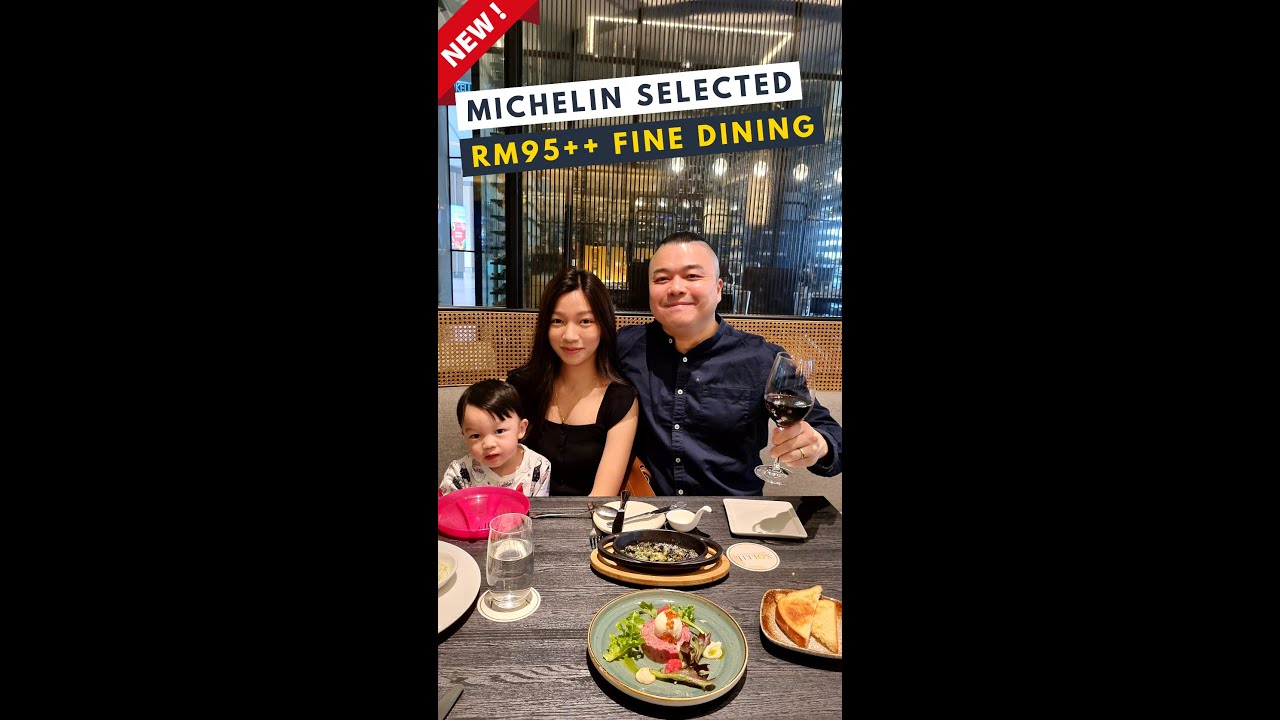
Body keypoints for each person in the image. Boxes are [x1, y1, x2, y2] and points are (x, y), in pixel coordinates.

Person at [617, 231, 844, 495]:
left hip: (733, 512)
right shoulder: (626, 347)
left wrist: (819, 445)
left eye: (692, 276)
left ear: (718, 289)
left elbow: (833, 437)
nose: (676, 288)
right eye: (661, 279)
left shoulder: (763, 359)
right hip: (650, 509)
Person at [508, 268, 639, 496]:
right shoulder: (520, 387)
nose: (569, 335)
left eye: (585, 321)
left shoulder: (621, 401)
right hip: (517, 513)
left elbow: (602, 496)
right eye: (557, 321)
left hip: (588, 516)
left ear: (603, 325)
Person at [439, 379, 551, 497]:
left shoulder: (538, 467)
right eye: (475, 436)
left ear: (521, 429)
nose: (488, 444)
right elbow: (447, 507)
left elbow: (539, 507)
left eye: (499, 431)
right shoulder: (458, 473)